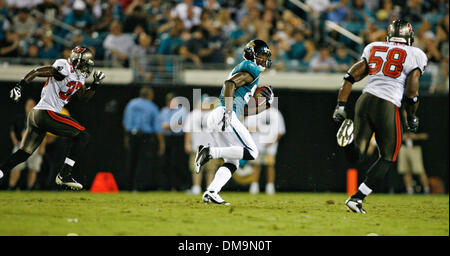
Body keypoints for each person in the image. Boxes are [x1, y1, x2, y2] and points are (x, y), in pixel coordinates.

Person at [332, 20, 427, 213]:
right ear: (409, 37)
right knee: (388, 156)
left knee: (357, 154)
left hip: (365, 100)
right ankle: (357, 198)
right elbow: (411, 90)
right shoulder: (415, 54)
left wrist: (341, 105)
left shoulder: (374, 47)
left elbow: (351, 76)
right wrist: (412, 115)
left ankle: (348, 141)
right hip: (387, 104)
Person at [0, 46, 106, 190]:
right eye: (85, 63)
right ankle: (64, 174)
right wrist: (21, 85)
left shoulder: (79, 77)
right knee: (83, 136)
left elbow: (83, 97)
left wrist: (95, 85)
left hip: (37, 115)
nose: (87, 67)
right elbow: (38, 71)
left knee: (23, 153)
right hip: (46, 112)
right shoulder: (65, 67)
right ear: (78, 61)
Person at [194, 39, 274, 205]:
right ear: (251, 55)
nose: (263, 59)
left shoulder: (249, 72)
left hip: (220, 114)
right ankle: (209, 152)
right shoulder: (251, 68)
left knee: (233, 162)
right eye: (260, 55)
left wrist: (263, 106)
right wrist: (229, 112)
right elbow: (230, 83)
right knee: (252, 152)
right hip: (224, 112)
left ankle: (211, 192)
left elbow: (243, 109)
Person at [122, 86, 165, 191]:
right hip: (146, 137)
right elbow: (157, 128)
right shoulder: (152, 106)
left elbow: (126, 123)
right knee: (143, 161)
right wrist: (161, 143)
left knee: (131, 160)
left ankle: (129, 185)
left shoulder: (131, 104)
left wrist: (126, 138)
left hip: (133, 135)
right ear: (150, 95)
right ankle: (138, 186)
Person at [184, 94, 220, 195]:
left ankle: (210, 189)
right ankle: (196, 187)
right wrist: (187, 143)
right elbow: (188, 130)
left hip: (212, 146)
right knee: (196, 168)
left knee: (211, 169)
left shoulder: (213, 114)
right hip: (197, 146)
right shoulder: (193, 114)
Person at [8, 98, 46, 191]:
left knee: (33, 168)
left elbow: (43, 134)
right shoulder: (20, 118)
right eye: (28, 105)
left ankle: (30, 188)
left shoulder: (38, 118)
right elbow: (12, 130)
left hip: (34, 145)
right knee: (15, 166)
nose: (30, 107)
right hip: (21, 145)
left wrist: (42, 147)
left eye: (32, 105)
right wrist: (15, 142)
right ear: (25, 107)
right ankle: (11, 187)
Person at [245, 107, 285, 195]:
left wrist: (273, 141)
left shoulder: (276, 113)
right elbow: (246, 127)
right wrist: (257, 128)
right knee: (255, 165)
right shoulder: (254, 111)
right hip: (256, 144)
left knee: (270, 165)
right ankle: (254, 186)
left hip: (270, 146)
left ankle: (270, 187)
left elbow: (281, 131)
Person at [159, 92, 188, 191]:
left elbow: (179, 125)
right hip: (167, 139)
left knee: (178, 162)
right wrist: (171, 126)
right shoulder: (163, 111)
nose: (170, 103)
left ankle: (179, 186)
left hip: (178, 139)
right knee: (166, 163)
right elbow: (161, 126)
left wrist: (168, 126)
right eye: (168, 101)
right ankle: (166, 186)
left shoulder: (182, 110)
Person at [397, 127, 430, 194]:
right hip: (403, 148)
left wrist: (415, 136)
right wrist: (402, 137)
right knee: (406, 171)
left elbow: (426, 135)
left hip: (415, 148)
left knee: (420, 171)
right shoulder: (401, 122)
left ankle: (427, 190)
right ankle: (409, 191)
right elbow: (394, 135)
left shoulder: (417, 121)